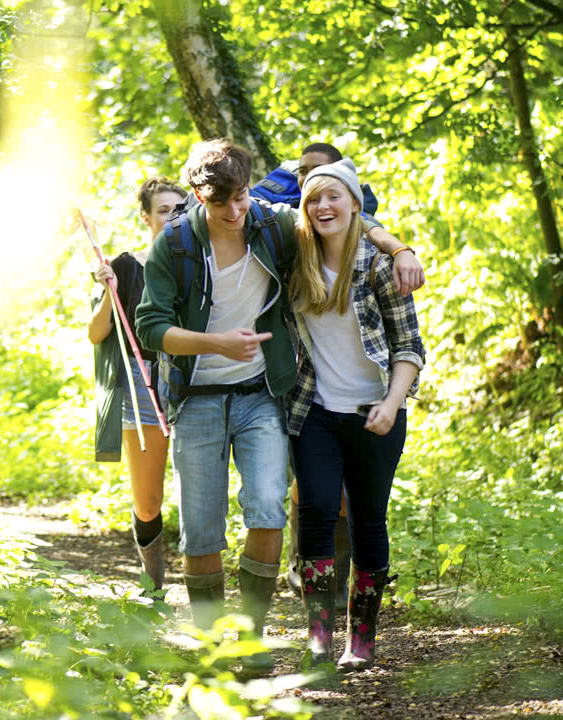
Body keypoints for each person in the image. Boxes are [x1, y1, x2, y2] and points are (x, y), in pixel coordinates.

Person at [135, 139, 422, 674]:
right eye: (223, 204)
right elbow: (150, 328)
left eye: (243, 198)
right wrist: (215, 343)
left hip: (263, 395)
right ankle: (215, 644)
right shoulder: (173, 246)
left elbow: (347, 217)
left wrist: (400, 248)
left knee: (269, 508)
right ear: (199, 197)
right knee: (202, 529)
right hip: (199, 399)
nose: (236, 212)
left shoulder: (270, 223)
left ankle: (249, 638)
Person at [286, 158, 425, 671]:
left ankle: (361, 640)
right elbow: (240, 206)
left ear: (355, 205)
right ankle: (319, 637)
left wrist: (392, 403)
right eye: (313, 200)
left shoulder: (379, 267)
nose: (324, 206)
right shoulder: (293, 260)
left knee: (369, 521)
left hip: (376, 413)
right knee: (316, 512)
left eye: (334, 197)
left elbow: (409, 346)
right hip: (315, 411)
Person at [89, 178, 185, 592]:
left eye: (179, 210)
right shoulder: (126, 267)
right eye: (163, 210)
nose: (172, 217)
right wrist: (109, 292)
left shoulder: (204, 261)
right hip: (142, 386)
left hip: (194, 384)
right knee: (148, 500)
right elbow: (96, 334)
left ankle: (203, 587)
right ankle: (154, 586)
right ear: (146, 217)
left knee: (199, 493)